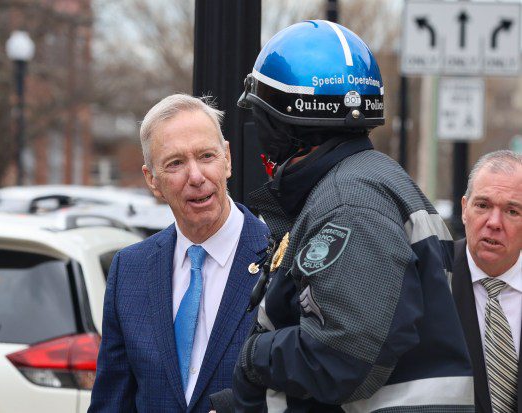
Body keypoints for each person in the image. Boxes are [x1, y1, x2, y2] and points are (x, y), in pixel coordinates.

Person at [222, 20, 474, 412]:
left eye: (262, 118)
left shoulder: (350, 202)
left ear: (282, 124)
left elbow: (343, 354)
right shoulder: (367, 181)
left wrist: (255, 357)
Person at [88, 94, 269, 413]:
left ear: (227, 159)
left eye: (206, 156)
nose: (196, 176)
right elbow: (111, 402)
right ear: (152, 180)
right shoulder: (130, 270)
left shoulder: (282, 260)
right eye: (175, 163)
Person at [452, 150, 522, 413]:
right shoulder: (429, 277)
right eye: (482, 205)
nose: (494, 223)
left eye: (512, 211)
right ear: (464, 210)